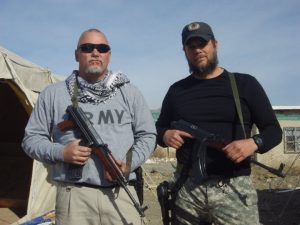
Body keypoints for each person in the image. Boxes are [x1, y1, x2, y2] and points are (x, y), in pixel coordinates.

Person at [22, 28, 157, 225]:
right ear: (76, 54)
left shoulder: (129, 93)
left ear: (108, 55)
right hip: (74, 198)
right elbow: (31, 140)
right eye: (87, 48)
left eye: (102, 48)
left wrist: (128, 164)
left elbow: (148, 135)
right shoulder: (52, 94)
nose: (95, 52)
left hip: (121, 193)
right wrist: (61, 152)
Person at [155, 21, 282, 225]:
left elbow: (274, 131)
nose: (198, 50)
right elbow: (158, 128)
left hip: (233, 187)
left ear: (215, 44)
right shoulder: (176, 91)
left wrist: (253, 143)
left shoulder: (244, 84)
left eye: (202, 43)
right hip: (186, 188)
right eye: (191, 46)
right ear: (185, 51)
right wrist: (165, 135)